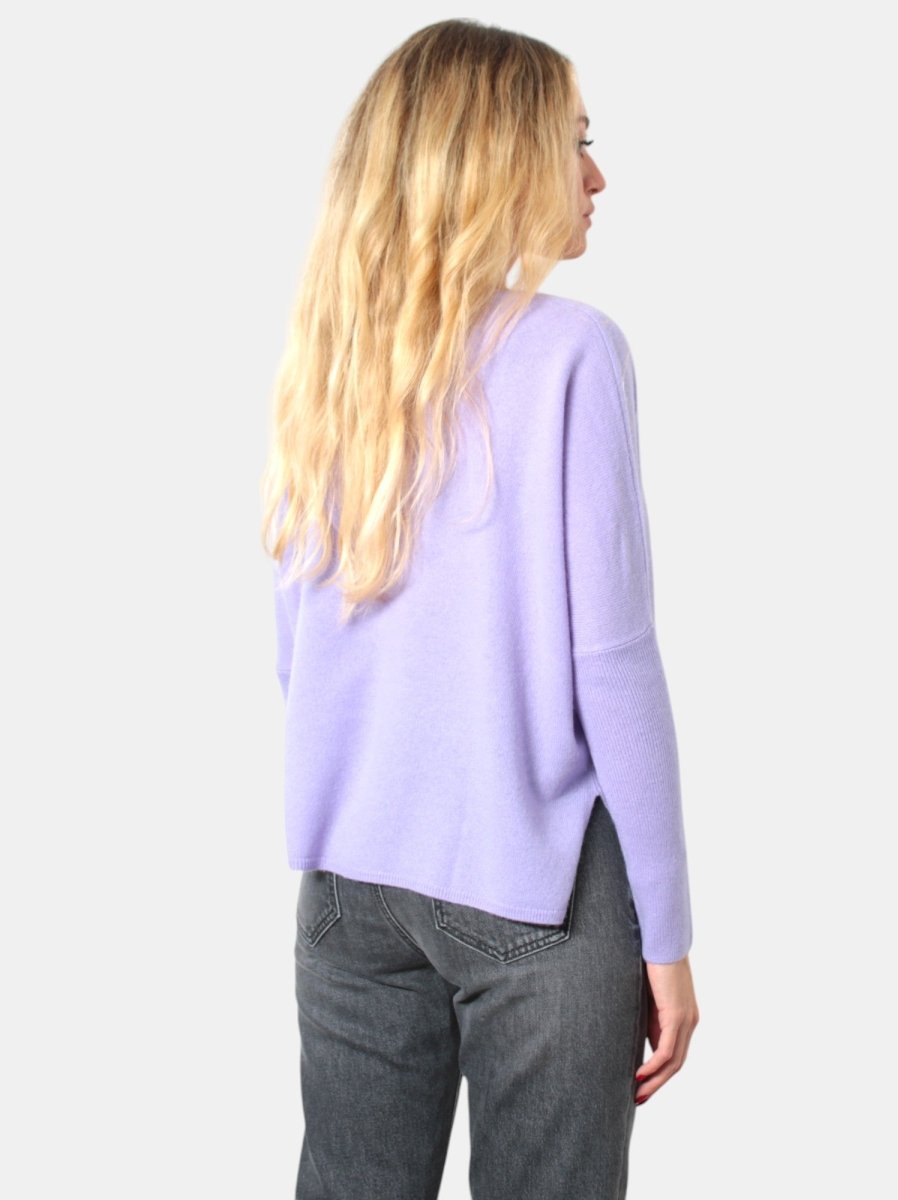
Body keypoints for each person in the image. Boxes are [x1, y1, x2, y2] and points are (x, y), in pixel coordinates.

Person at [261, 18, 699, 1200]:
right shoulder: (573, 351)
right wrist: (667, 933)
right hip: (537, 885)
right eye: (577, 142)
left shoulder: (339, 352)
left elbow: (296, 649)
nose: (598, 177)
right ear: (499, 157)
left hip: (349, 891)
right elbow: (614, 664)